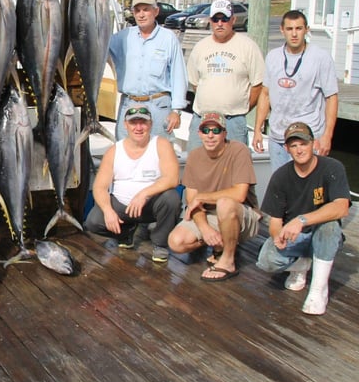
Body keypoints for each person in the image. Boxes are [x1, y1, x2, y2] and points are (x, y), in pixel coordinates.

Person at [256, 122, 350, 315]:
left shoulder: (332, 167)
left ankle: (318, 290)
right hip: (294, 238)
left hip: (321, 235)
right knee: (266, 260)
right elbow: (275, 222)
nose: (299, 150)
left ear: (313, 143)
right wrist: (277, 237)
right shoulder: (280, 177)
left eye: (303, 143)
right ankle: (303, 265)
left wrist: (302, 220)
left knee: (330, 226)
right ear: (286, 149)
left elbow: (341, 208)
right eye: (294, 145)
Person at [168, 112, 262, 281]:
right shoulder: (194, 156)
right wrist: (205, 229)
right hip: (209, 215)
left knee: (225, 203)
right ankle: (220, 243)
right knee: (176, 242)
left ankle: (227, 261)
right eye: (205, 130)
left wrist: (202, 197)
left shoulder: (239, 150)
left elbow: (239, 195)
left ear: (225, 133)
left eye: (216, 130)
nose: (210, 135)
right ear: (199, 133)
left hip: (241, 214)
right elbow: (191, 200)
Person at [83, 106, 181, 263]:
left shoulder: (161, 144)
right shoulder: (114, 150)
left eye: (143, 123)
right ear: (125, 125)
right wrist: (108, 211)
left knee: (172, 198)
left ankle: (160, 243)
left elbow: (172, 178)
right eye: (133, 123)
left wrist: (144, 194)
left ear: (150, 124)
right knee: (93, 221)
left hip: (151, 204)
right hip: (122, 205)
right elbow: (99, 187)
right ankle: (125, 232)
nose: (139, 127)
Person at [252, 10, 339, 170]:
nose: (294, 34)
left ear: (307, 29)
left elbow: (331, 98)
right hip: (278, 138)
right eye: (290, 29)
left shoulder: (320, 58)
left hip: (308, 138)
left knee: (307, 187)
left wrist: (327, 135)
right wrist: (258, 129)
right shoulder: (273, 57)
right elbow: (265, 94)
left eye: (299, 29)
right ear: (282, 30)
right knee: (281, 185)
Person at [185, 0, 264, 150]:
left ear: (233, 20)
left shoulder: (248, 47)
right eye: (215, 19)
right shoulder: (200, 47)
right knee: (196, 168)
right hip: (201, 119)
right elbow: (195, 83)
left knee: (235, 169)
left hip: (233, 121)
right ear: (210, 21)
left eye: (224, 19)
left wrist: (241, 107)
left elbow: (258, 85)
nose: (220, 23)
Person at [109, 0, 187, 141]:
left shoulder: (168, 38)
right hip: (129, 104)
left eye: (146, 9)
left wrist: (176, 110)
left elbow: (179, 76)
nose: (141, 14)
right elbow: (97, 47)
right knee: (125, 154)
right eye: (137, 10)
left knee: (160, 154)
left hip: (158, 106)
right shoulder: (122, 37)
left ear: (156, 11)